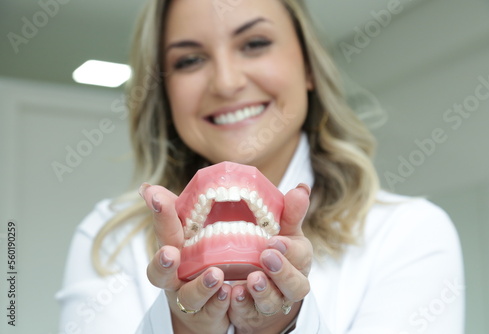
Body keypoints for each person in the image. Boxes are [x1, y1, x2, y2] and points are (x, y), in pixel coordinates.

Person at [56, 0, 465, 333]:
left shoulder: (411, 233)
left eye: (254, 43)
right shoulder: (109, 240)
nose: (227, 82)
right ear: (164, 92)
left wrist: (286, 328)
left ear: (308, 65)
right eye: (190, 60)